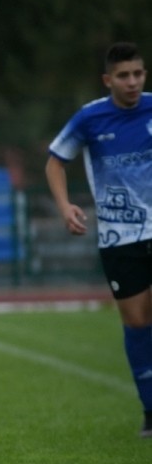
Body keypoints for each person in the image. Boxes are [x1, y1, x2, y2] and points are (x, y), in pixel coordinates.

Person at [44, 41, 152, 438]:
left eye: (137, 74)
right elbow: (55, 162)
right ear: (108, 80)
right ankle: (150, 410)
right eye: (123, 76)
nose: (132, 82)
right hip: (118, 237)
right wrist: (64, 206)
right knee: (137, 323)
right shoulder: (91, 118)